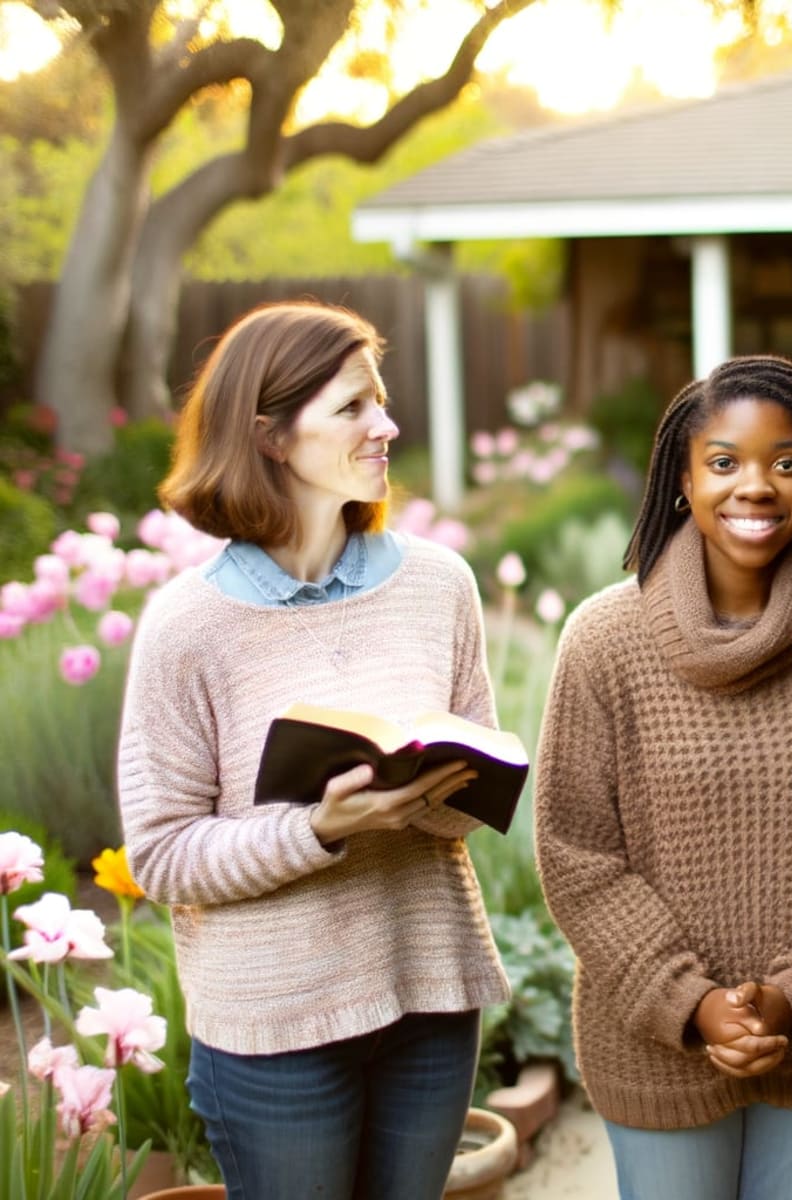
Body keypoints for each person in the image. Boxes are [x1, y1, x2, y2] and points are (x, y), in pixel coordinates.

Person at [117, 300, 510, 1200]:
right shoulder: (190, 627)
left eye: (382, 401)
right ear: (270, 437)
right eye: (354, 408)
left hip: (430, 997)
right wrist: (320, 830)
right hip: (271, 1031)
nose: (387, 426)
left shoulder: (438, 585)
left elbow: (475, 789)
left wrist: (439, 792)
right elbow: (164, 854)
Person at [533, 354, 792, 1200]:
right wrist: (692, 1003)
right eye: (724, 462)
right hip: (652, 1035)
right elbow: (577, 852)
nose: (755, 485)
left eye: (786, 463)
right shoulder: (605, 639)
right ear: (682, 479)